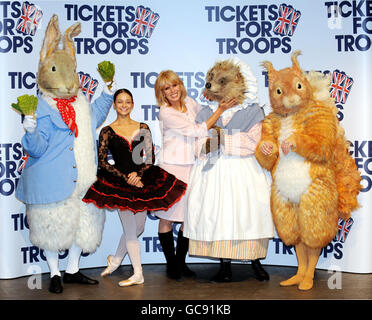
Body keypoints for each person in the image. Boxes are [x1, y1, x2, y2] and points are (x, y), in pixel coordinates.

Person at [82, 89, 187, 287]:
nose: (123, 105)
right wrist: (126, 177)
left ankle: (115, 260)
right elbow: (103, 163)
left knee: (138, 227)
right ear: (114, 105)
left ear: (132, 104)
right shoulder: (107, 131)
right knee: (130, 229)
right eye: (119, 101)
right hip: (119, 184)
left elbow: (149, 158)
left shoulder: (143, 127)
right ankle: (138, 273)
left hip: (143, 181)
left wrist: (138, 175)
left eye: (127, 101)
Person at [184, 58, 275, 282]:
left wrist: (223, 139)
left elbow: (254, 143)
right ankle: (224, 265)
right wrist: (213, 142)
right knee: (220, 214)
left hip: (244, 172)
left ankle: (254, 261)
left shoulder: (253, 112)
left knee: (248, 213)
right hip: (214, 173)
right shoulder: (206, 112)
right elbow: (198, 146)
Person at [154, 70, 236, 280]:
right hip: (171, 168)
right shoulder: (165, 112)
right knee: (166, 218)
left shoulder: (190, 102)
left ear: (180, 85)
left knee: (186, 218)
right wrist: (220, 110)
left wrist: (217, 100)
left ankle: (181, 263)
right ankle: (171, 264)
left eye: (174, 85)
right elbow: (196, 130)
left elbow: (205, 118)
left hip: (192, 166)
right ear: (161, 93)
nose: (172, 91)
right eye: (167, 88)